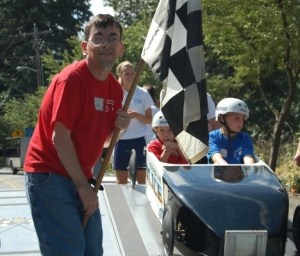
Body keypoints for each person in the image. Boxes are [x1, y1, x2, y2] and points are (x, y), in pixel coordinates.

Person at [23, 14, 130, 256]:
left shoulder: (115, 87)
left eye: (113, 38)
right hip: (50, 174)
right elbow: (59, 137)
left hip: (80, 175)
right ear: (85, 47)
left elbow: (102, 141)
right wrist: (83, 185)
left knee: (92, 250)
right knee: (69, 250)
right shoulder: (72, 80)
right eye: (98, 38)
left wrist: (119, 129)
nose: (106, 44)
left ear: (120, 48)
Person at [113, 61, 154, 184]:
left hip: (138, 140)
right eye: (126, 73)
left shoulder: (143, 93)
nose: (130, 76)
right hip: (120, 140)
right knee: (121, 182)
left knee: (142, 181)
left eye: (132, 73)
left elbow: (150, 119)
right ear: (120, 74)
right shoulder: (115, 92)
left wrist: (135, 115)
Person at [207, 97, 255, 164]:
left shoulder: (245, 138)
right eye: (236, 118)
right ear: (222, 118)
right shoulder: (212, 136)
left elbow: (248, 158)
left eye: (243, 118)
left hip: (238, 174)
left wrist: (250, 168)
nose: (241, 122)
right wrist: (227, 169)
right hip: (218, 173)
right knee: (216, 164)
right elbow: (217, 158)